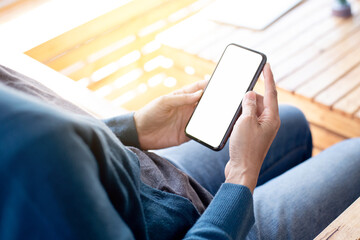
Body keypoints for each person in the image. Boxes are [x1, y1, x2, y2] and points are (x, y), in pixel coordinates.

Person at [0, 63, 359, 240]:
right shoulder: (28, 166)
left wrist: (134, 129)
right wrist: (240, 177)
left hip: (148, 181)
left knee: (291, 121)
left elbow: (60, 149)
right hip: (200, 229)